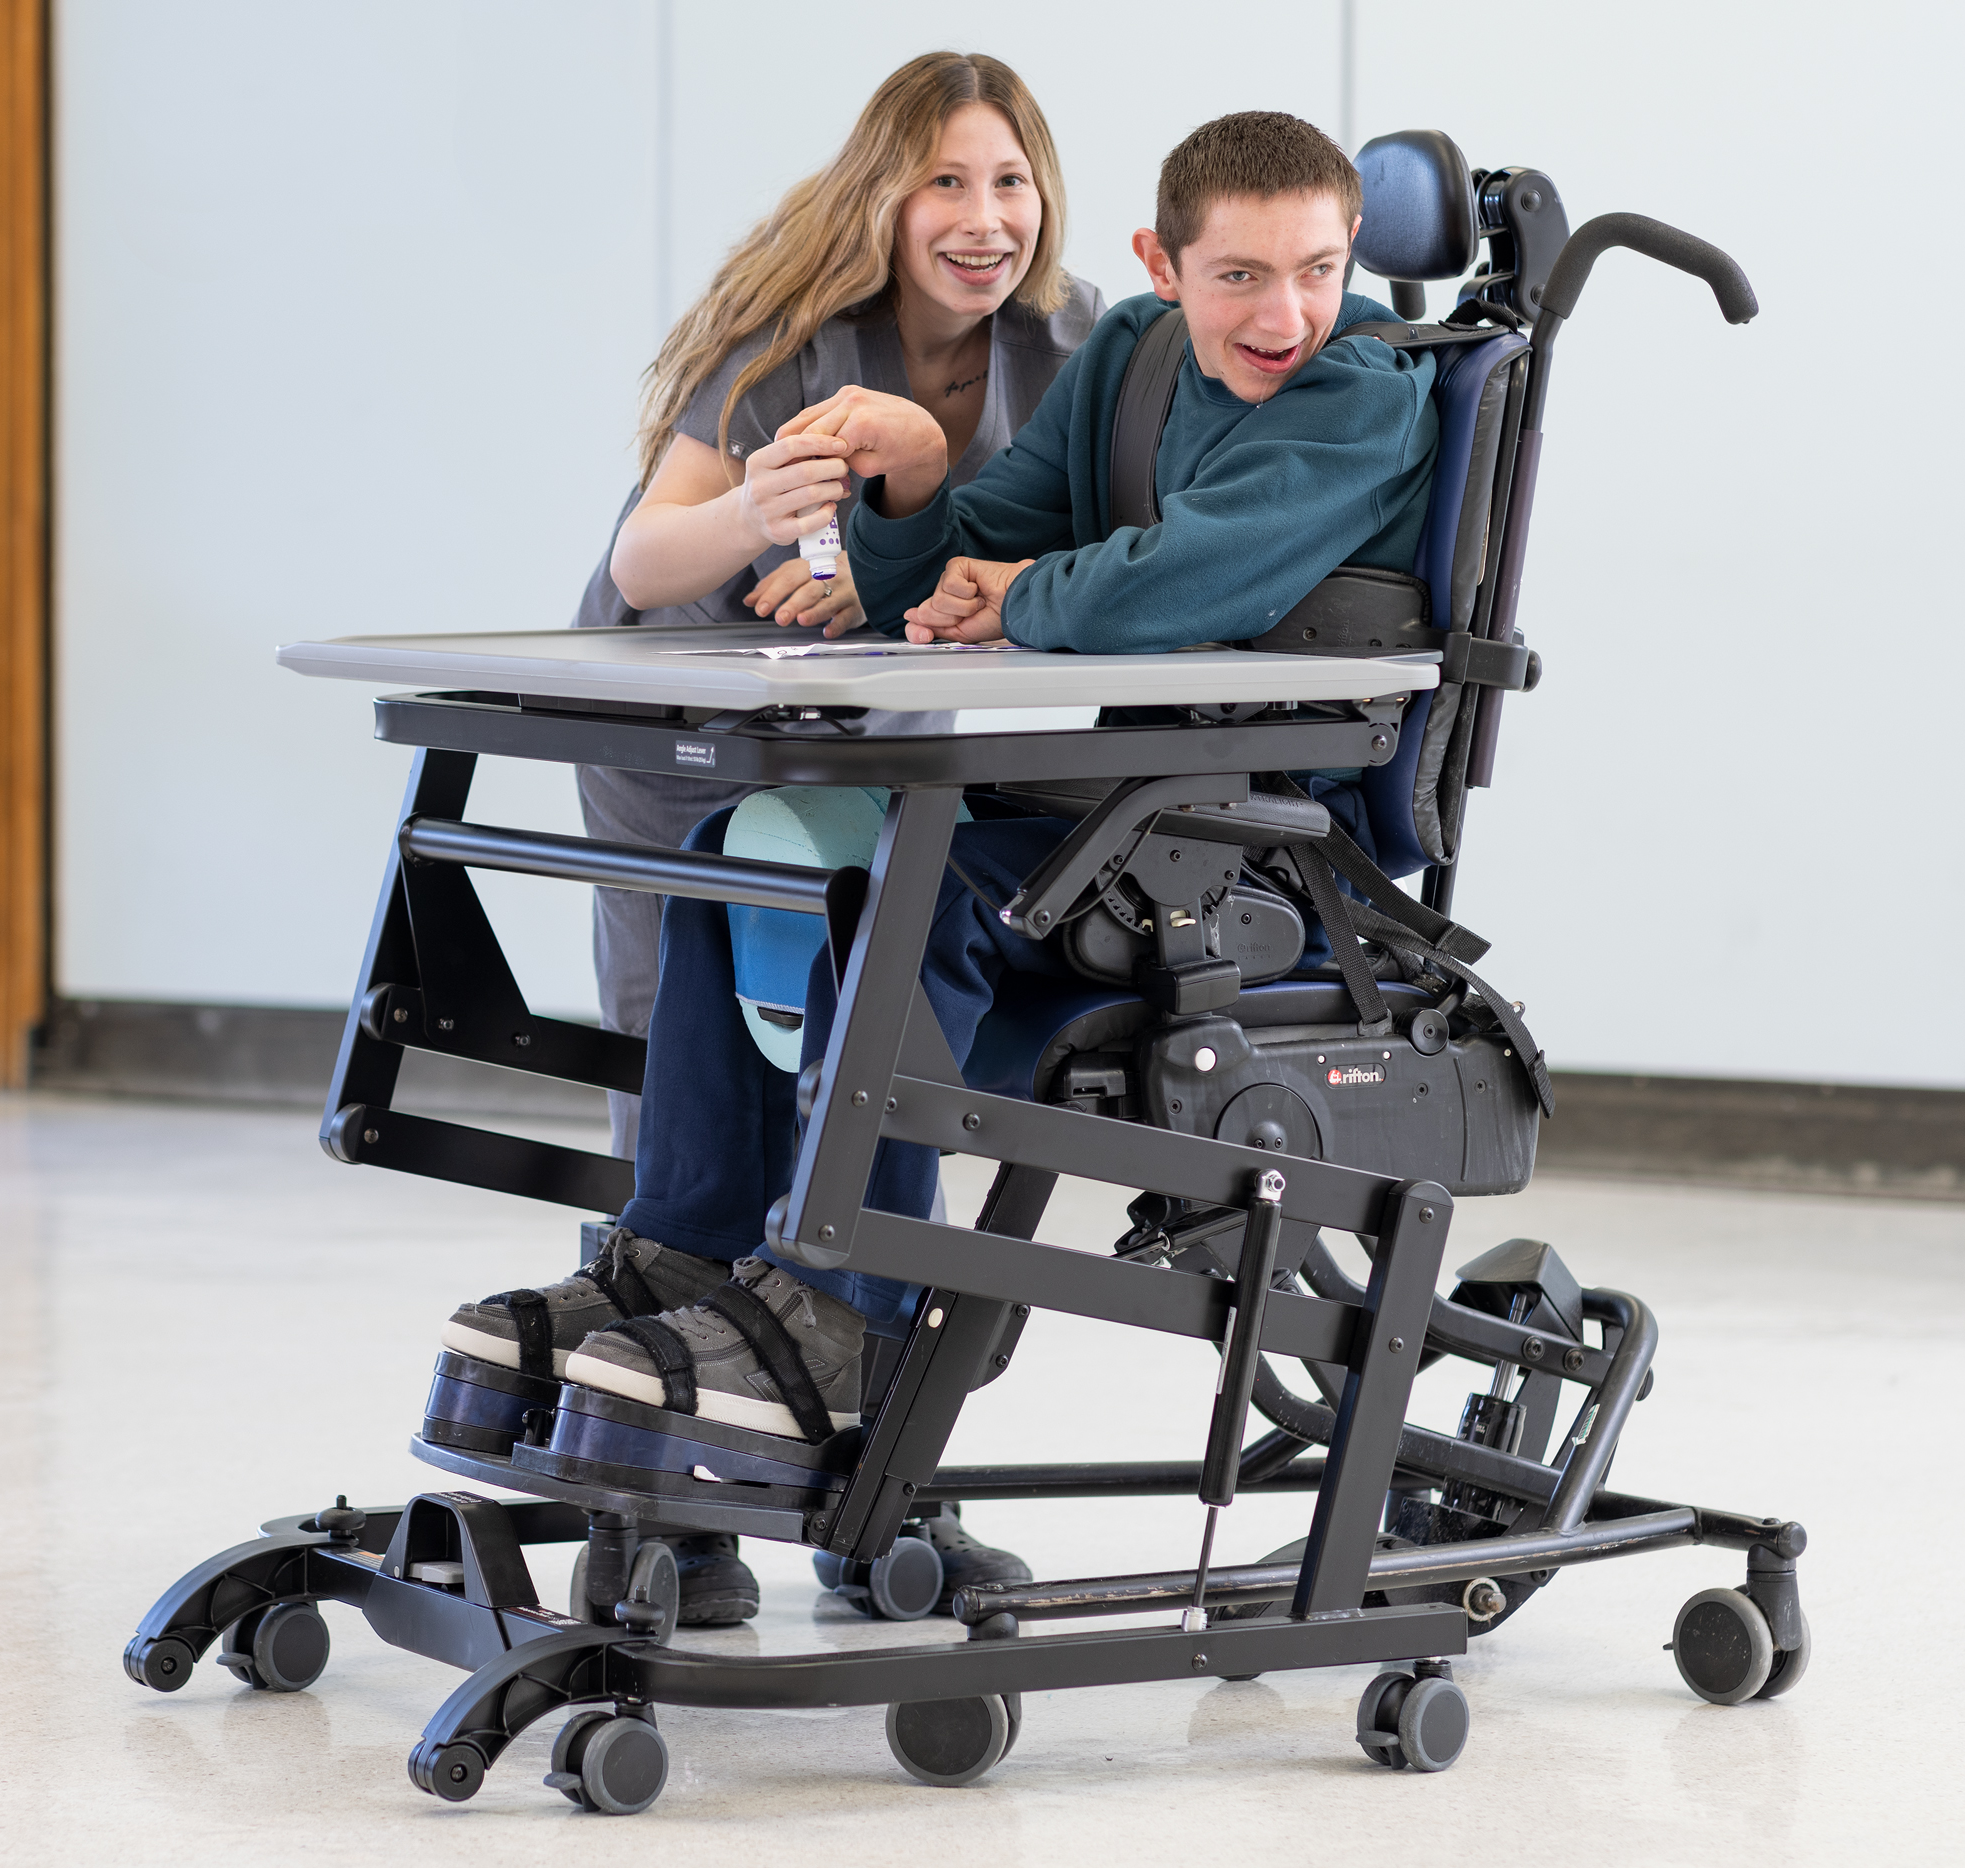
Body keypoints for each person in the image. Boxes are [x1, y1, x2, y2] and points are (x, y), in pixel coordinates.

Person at [450, 111, 1437, 1599]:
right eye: (1239, 275)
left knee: (923, 886)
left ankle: (842, 1311)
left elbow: (1188, 575)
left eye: (1316, 268)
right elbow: (974, 539)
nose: (1282, 313)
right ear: (1158, 266)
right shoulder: (1131, 360)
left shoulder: (1369, 389)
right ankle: (686, 1259)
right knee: (761, 852)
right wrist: (916, 498)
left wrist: (1028, 590)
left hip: (1264, 865)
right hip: (1126, 823)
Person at [573, 51, 1102, 1166]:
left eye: (1009, 181)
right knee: (674, 1027)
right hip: (684, 712)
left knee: (878, 1020)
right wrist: (751, 509)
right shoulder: (792, 331)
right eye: (943, 184)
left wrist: (897, 558)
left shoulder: (1068, 342)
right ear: (883, 199)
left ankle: (857, 1301)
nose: (984, 219)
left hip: (878, 701)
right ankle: (652, 1273)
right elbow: (643, 559)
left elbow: (1094, 527)